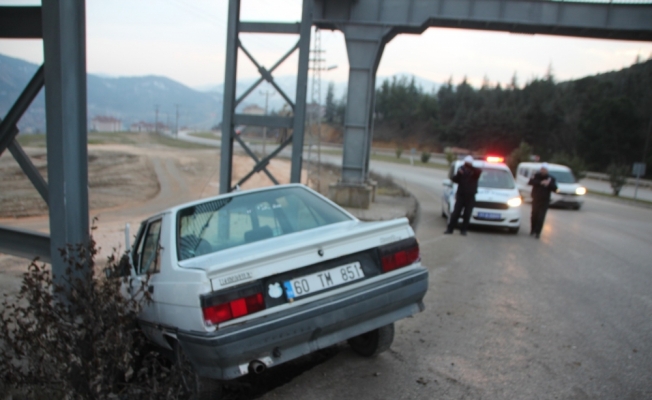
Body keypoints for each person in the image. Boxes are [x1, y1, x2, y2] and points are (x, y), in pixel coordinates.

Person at [445, 155, 482, 236]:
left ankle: (464, 230)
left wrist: (470, 168)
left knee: (467, 214)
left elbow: (478, 172)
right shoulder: (461, 170)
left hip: (470, 196)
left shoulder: (474, 172)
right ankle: (450, 229)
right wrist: (459, 173)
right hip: (461, 195)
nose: (466, 165)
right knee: (456, 213)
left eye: (468, 164)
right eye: (466, 163)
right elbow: (454, 179)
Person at [528, 162, 558, 239]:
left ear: (547, 170)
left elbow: (555, 188)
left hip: (545, 200)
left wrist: (548, 184)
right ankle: (533, 229)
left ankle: (538, 232)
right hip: (536, 199)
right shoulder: (536, 176)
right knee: (534, 215)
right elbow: (530, 182)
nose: (542, 171)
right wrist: (540, 182)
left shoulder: (551, 178)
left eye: (544, 169)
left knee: (541, 217)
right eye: (542, 169)